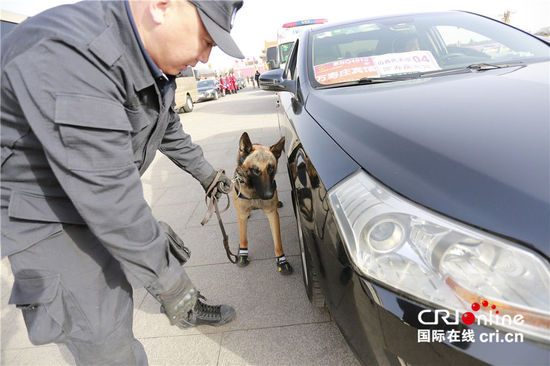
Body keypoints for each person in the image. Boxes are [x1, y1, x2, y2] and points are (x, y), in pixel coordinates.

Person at [1, 1, 245, 365]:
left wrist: (208, 175)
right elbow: (109, 197)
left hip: (92, 188)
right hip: (44, 215)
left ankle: (184, 303)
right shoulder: (74, 51)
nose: (206, 58)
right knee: (105, 335)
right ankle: (178, 300)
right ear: (162, 6)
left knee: (158, 247)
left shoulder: (147, 60)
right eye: (207, 39)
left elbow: (168, 129)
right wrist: (170, 284)